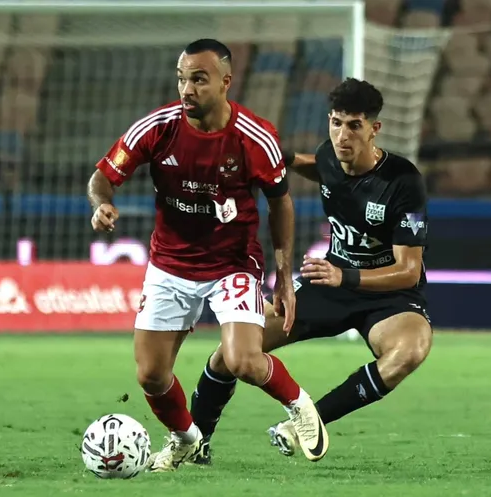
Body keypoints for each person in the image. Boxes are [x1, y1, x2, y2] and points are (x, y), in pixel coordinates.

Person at [87, 39, 328, 472]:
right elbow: (101, 177)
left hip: (232, 264)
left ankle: (300, 406)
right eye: (182, 79)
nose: (187, 89)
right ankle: (186, 440)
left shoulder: (255, 137)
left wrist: (283, 277)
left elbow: (281, 203)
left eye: (198, 79)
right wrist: (101, 204)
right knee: (150, 375)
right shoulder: (158, 127)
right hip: (170, 264)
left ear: (225, 82)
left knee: (242, 360)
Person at [187, 78, 432, 463]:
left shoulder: (403, 181)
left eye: (354, 125)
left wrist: (345, 276)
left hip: (388, 294)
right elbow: (320, 168)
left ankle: (306, 421)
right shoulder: (329, 156)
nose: (342, 135)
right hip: (329, 285)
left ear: (374, 129)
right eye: (336, 123)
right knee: (233, 352)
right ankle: (193, 442)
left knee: (411, 350)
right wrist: (280, 158)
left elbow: (408, 271)